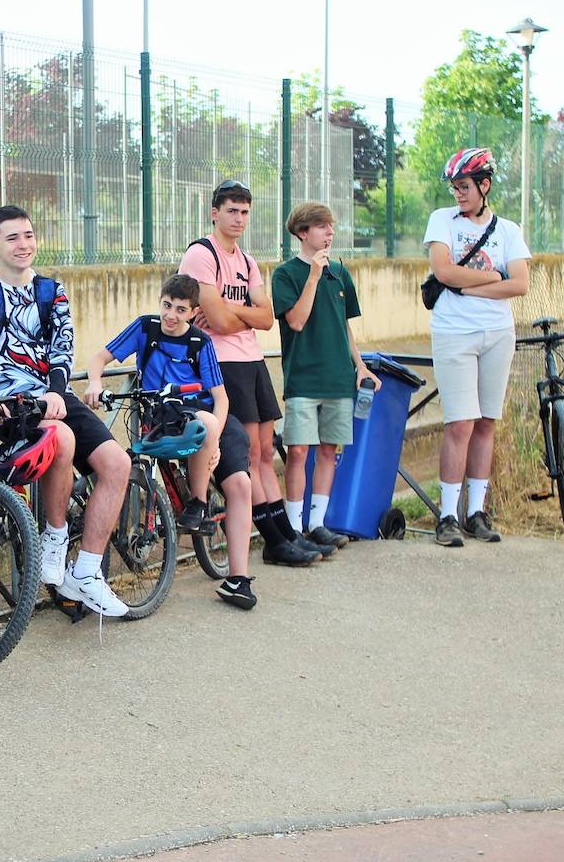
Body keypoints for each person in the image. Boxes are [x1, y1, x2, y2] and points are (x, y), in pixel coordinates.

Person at [0, 205, 132, 617]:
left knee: (116, 464)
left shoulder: (53, 291)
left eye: (29, 236)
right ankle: (55, 536)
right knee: (61, 436)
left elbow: (62, 350)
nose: (23, 245)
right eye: (12, 237)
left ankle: (86, 572)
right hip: (6, 402)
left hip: (51, 394)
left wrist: (55, 391)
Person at [82, 273, 281, 610]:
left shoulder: (200, 344)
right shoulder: (146, 329)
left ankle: (236, 575)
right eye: (166, 306)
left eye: (181, 310)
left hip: (206, 415)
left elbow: (220, 398)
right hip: (159, 416)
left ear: (193, 312)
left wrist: (215, 436)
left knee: (239, 485)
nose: (171, 315)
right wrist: (94, 383)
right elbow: (99, 358)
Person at [178, 180, 323, 567]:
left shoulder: (247, 261)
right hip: (221, 363)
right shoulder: (200, 255)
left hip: (252, 362)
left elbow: (267, 318)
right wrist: (243, 312)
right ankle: (274, 541)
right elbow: (221, 324)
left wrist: (232, 308)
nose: (239, 219)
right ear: (215, 212)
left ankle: (283, 534)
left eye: (245, 212)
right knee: (244, 455)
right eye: (231, 211)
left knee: (263, 451)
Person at [423, 148, 531, 546]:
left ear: (485, 185)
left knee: (486, 421)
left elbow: (520, 283)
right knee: (459, 423)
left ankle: (476, 512)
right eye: (454, 187)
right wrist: (494, 276)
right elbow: (443, 270)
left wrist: (471, 286)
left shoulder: (508, 230)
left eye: (465, 187)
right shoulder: (442, 221)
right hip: (455, 332)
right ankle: (447, 514)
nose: (458, 194)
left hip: (498, 333)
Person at [271, 201, 380, 548]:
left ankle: (317, 523)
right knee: (299, 451)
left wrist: (359, 365)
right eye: (322, 227)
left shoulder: (341, 272)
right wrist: (314, 276)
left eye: (331, 226)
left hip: (338, 378)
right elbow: (297, 321)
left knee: (329, 451)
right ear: (303, 233)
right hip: (303, 377)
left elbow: (343, 326)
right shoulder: (286, 274)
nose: (330, 232)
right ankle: (292, 528)